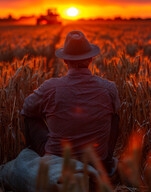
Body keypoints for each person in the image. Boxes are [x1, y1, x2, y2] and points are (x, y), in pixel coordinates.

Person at [21, 30, 120, 176]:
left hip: (58, 158)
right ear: (91, 58)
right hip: (95, 160)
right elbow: (114, 118)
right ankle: (105, 163)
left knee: (30, 116)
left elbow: (26, 109)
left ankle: (46, 165)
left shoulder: (51, 87)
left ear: (65, 61)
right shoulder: (109, 88)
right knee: (114, 116)